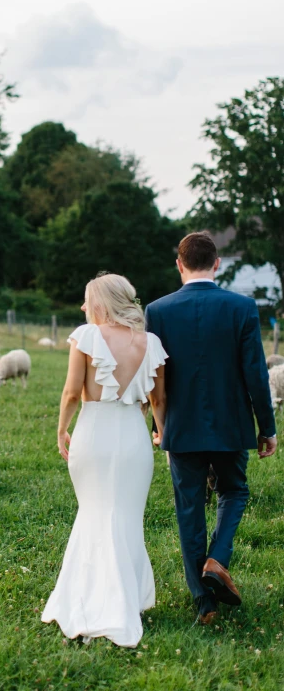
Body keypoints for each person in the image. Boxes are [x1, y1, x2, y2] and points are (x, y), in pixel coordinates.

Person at [145, 232, 277, 625]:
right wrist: (267, 427)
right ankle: (217, 559)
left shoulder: (158, 310)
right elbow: (256, 372)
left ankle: (205, 602)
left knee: (189, 508)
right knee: (234, 491)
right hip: (231, 424)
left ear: (179, 265)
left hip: (181, 429)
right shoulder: (242, 306)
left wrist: (160, 426)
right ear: (217, 263)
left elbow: (157, 379)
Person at [41, 273, 168, 648]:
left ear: (100, 303)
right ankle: (126, 599)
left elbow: (70, 393)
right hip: (133, 438)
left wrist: (62, 429)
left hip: (92, 434)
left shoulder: (87, 336)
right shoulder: (152, 343)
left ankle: (91, 600)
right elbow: (158, 401)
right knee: (126, 517)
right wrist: (162, 434)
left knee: (95, 513)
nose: (83, 308)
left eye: (86, 300)